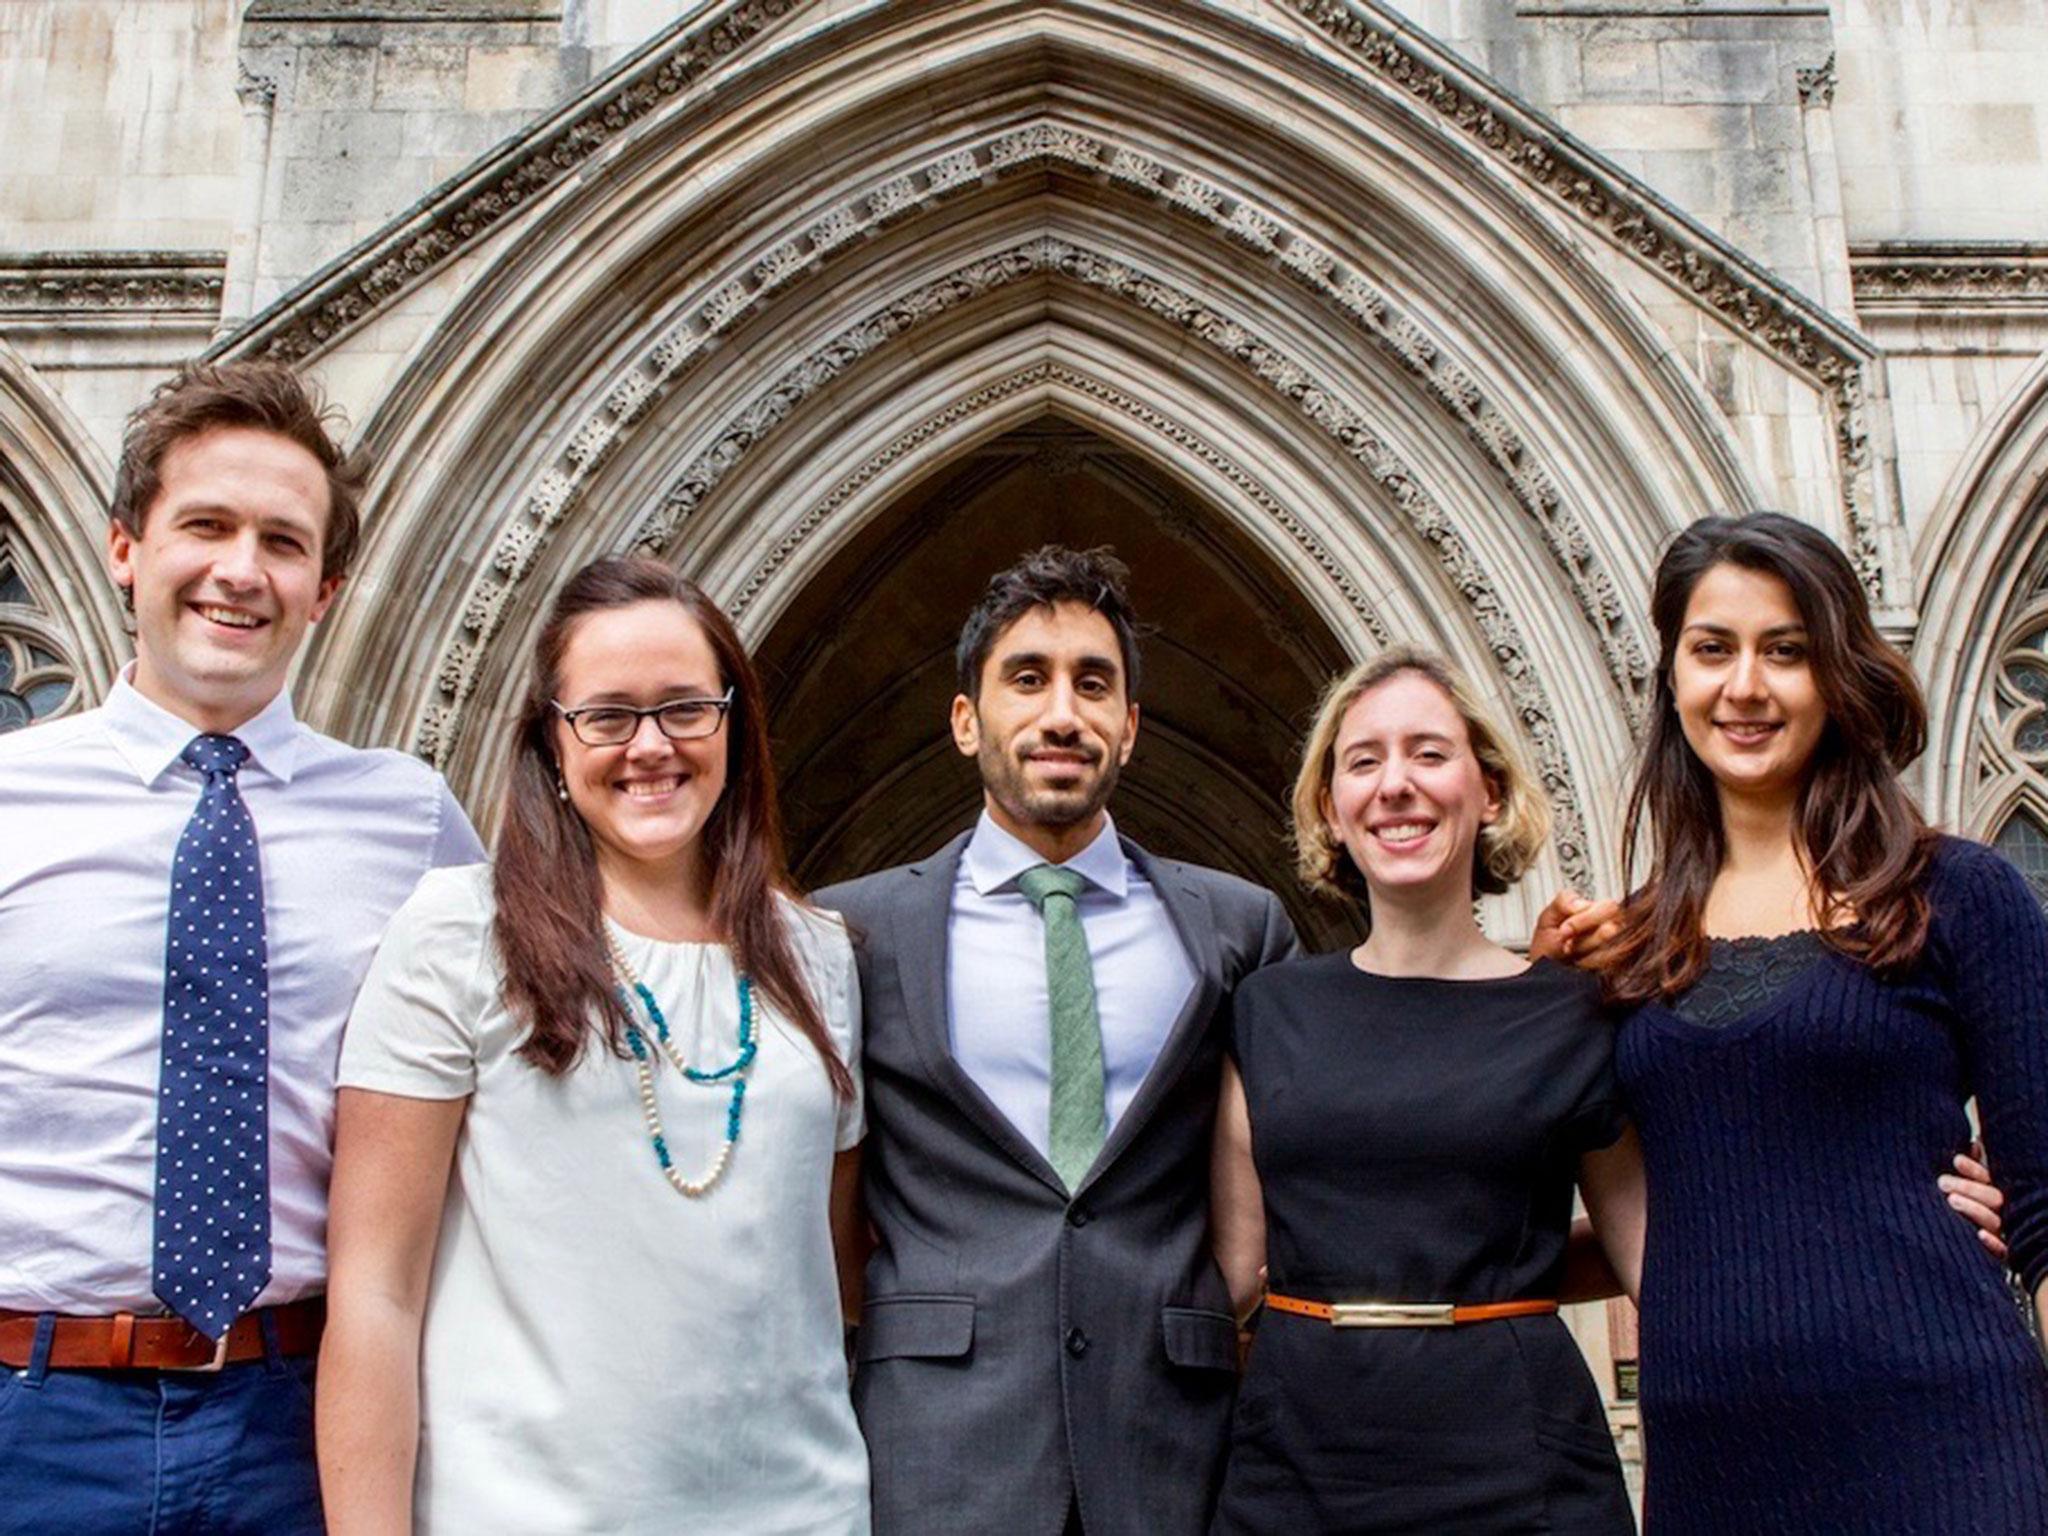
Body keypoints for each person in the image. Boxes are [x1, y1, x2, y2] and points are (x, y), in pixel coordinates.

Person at [0, 361, 485, 1536]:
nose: (239, 571)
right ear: (126, 549)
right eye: (204, 526)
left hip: (300, 1418)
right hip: (31, 1414)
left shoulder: (413, 819)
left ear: (322, 588)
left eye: (282, 542)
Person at [317, 557, 869, 1535]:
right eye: (607, 715)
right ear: (552, 743)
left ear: (732, 728)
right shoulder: (457, 934)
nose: (649, 746)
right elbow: (375, 1294)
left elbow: (822, 1272)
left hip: (800, 1513)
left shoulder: (818, 959)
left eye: (684, 709)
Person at [816, 546, 1299, 1536]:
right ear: (965, 721)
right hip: (938, 1448)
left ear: (1128, 728)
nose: (1060, 713)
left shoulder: (1238, 928)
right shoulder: (848, 934)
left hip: (1175, 1448)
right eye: (1025, 679)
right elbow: (818, 1200)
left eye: (1092, 683)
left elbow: (1308, 1170)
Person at [1594, 512, 2048, 1531]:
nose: (1743, 686)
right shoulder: (1623, 952)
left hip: (1943, 1441)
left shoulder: (1954, 894)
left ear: (1834, 675)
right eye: (1711, 649)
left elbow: (2044, 1206)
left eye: (1784, 652)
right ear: (1670, 675)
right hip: (1713, 1461)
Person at [1207, 648, 1642, 1533]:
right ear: (1331, 808)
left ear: (1488, 791)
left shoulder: (1574, 1013)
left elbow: (1667, 1267)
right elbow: (1228, 1275)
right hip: (1298, 1467)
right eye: (1364, 761)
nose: (1396, 784)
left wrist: (1892, 1223)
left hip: (1522, 1465)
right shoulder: (1267, 1009)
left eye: (1430, 754)